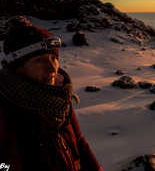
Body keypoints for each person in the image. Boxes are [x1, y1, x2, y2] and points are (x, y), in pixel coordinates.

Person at [0, 16, 103, 171]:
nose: (52, 68)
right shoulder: (6, 108)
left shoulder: (59, 97)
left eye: (53, 58)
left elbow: (79, 143)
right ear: (18, 68)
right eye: (39, 60)